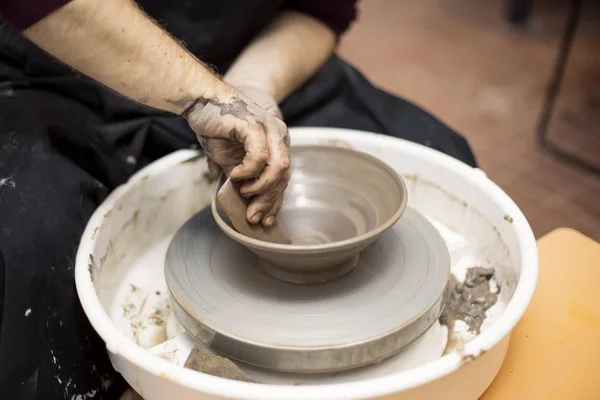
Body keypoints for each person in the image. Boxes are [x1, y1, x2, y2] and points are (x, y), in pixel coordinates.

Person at [0, 0, 477, 398]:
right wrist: (202, 98)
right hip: (69, 70)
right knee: (29, 250)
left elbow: (322, 9)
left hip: (254, 66)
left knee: (447, 154)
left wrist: (250, 89)